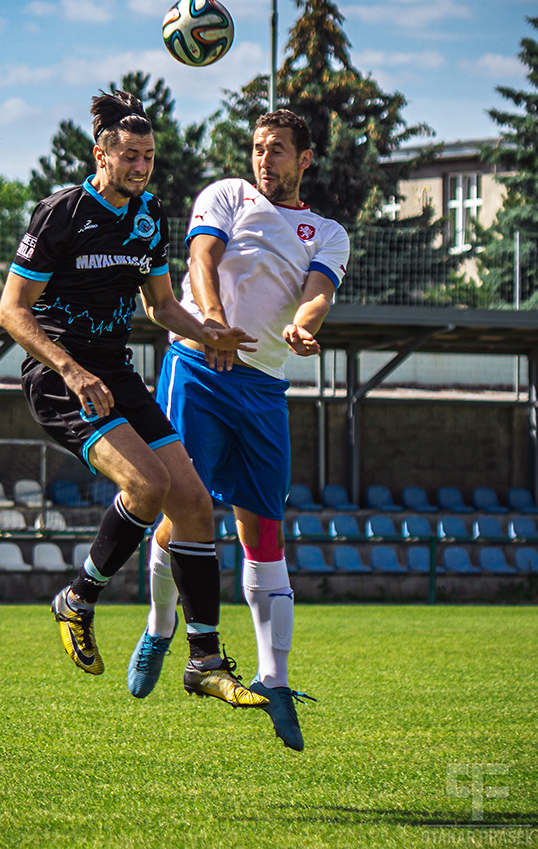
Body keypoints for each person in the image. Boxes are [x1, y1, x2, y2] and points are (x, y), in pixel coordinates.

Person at [0, 90, 268, 710]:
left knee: (195, 504)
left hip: (117, 374)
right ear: (101, 154)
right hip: (62, 377)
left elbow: (160, 306)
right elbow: (12, 311)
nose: (141, 168)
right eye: (130, 157)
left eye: (149, 157)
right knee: (146, 486)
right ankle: (79, 597)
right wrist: (69, 368)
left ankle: (203, 660)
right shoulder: (61, 214)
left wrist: (208, 330)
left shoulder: (149, 215)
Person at [127, 108, 350, 751]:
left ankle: (274, 678)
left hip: (264, 388)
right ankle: (161, 625)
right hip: (198, 365)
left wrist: (306, 324)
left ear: (304, 159)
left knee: (263, 527)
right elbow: (201, 259)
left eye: (278, 149)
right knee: (182, 511)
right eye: (258, 147)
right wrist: (214, 325)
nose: (264, 159)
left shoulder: (327, 232)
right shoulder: (225, 195)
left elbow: (317, 293)